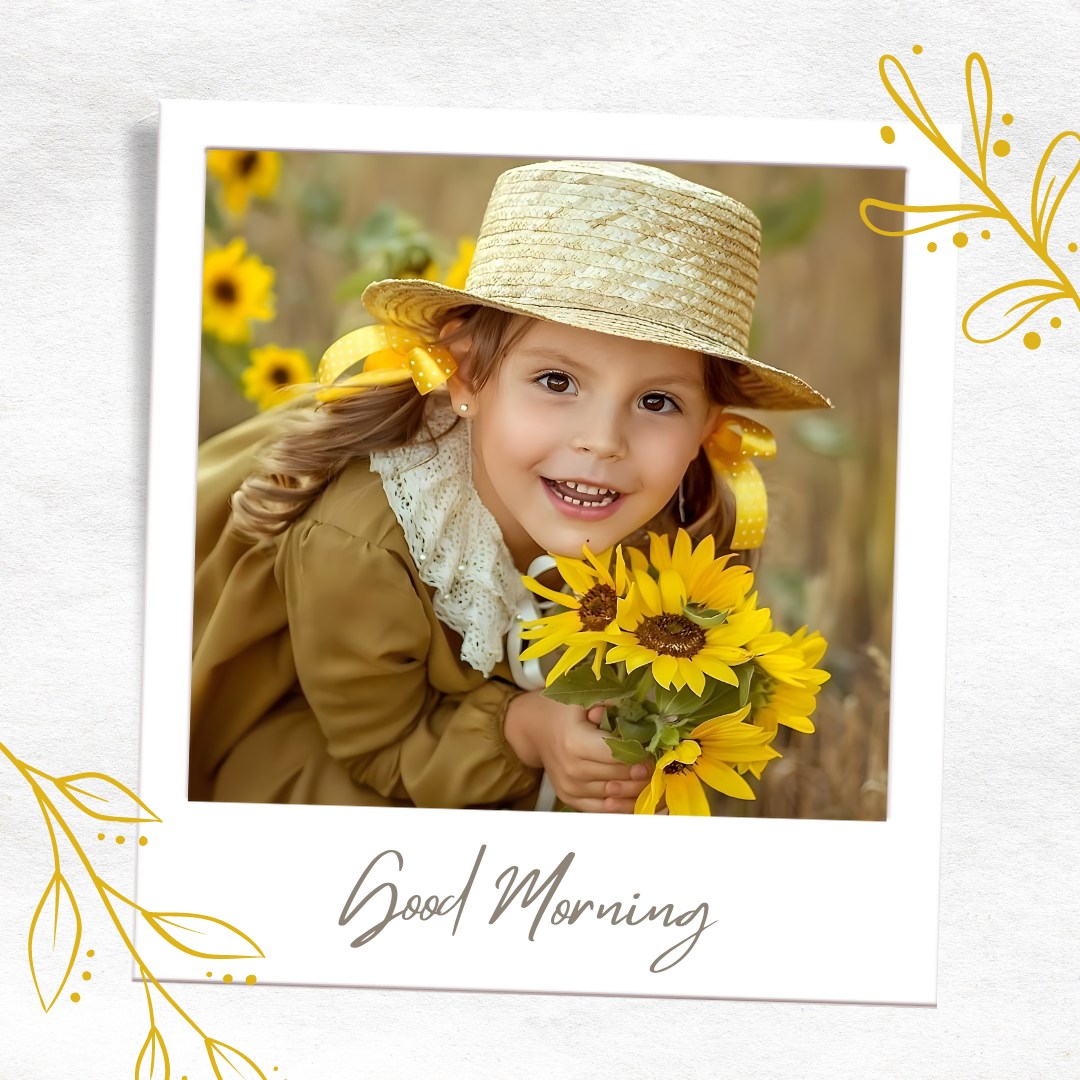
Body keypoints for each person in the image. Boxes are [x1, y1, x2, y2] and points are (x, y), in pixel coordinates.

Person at [189, 159, 831, 813]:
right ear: (466, 375)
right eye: (556, 382)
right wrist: (526, 731)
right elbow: (378, 748)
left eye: (658, 401)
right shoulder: (363, 540)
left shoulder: (662, 527)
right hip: (331, 750)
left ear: (708, 427)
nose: (603, 440)